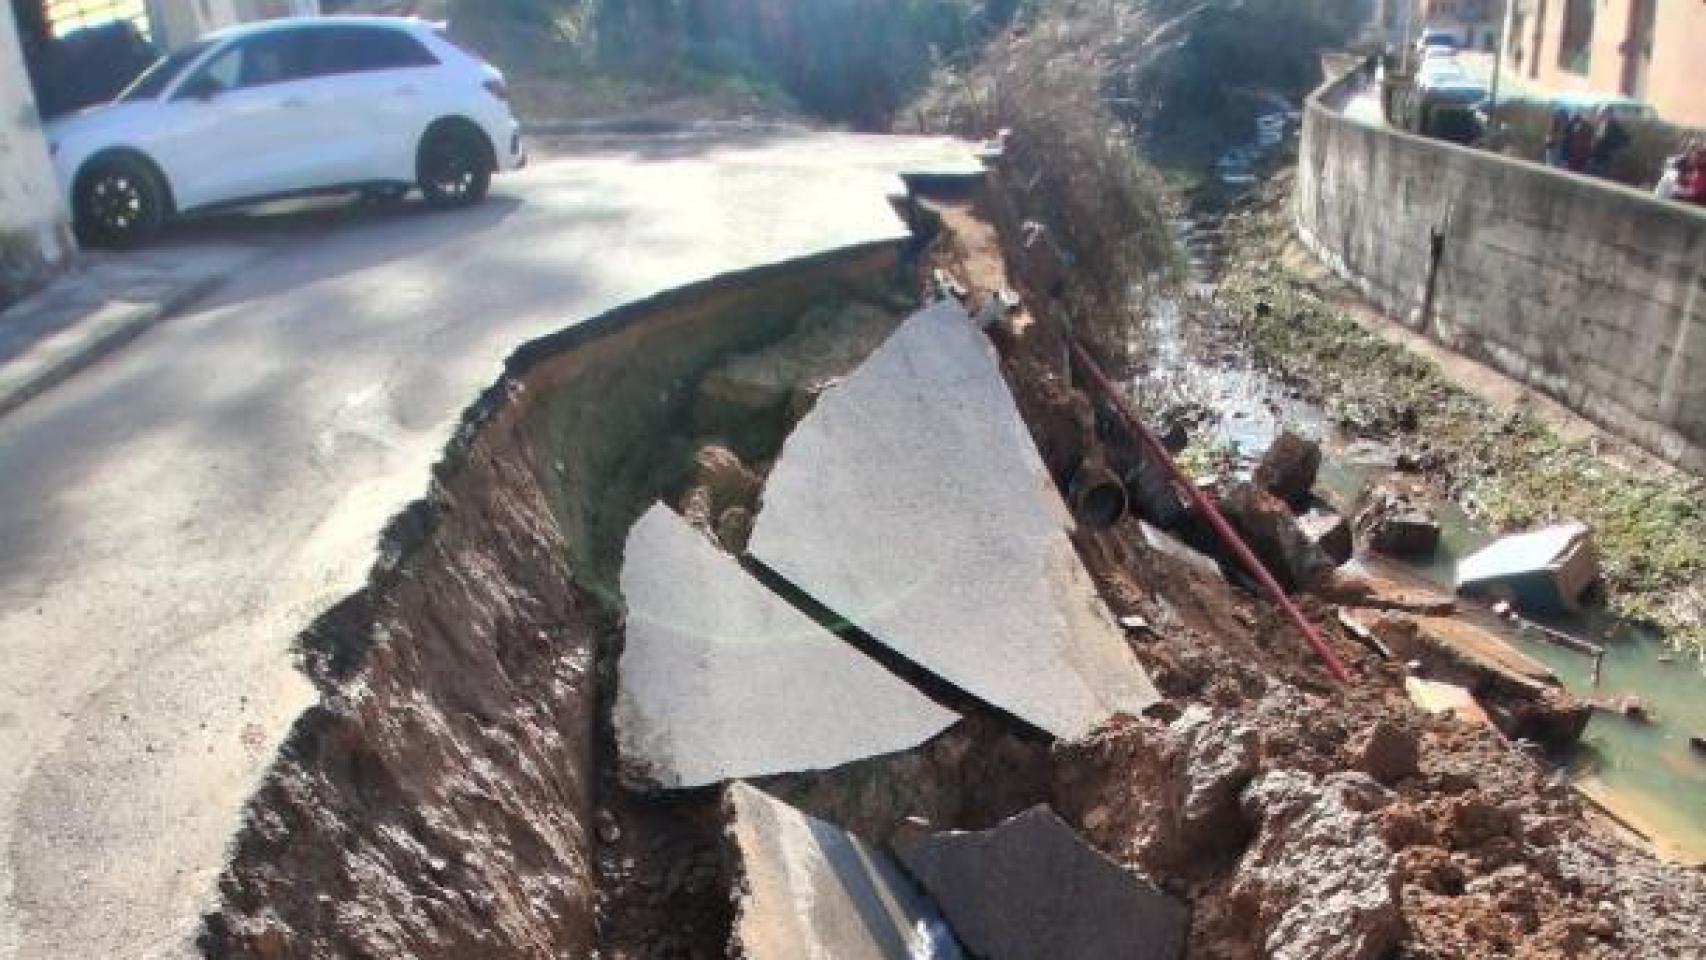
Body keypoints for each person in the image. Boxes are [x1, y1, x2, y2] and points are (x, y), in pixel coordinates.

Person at [1588, 105, 1631, 177]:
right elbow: (1594, 138)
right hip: (1594, 156)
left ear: (1611, 114)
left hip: (1606, 158)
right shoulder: (1598, 124)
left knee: (1600, 177)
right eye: (1602, 113)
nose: (1603, 115)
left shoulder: (1616, 127)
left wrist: (1615, 151)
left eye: (1606, 113)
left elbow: (1625, 140)